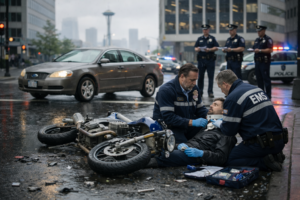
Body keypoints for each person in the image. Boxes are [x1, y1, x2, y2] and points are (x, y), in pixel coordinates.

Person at [213, 70, 286, 171]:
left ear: (225, 84)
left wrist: (221, 123)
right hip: (279, 141)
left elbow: (229, 131)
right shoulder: (256, 89)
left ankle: (265, 162)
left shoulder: (233, 97)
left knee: (231, 160)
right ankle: (275, 155)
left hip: (261, 145)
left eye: (220, 88)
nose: (222, 91)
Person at [147, 98, 237, 168]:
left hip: (196, 156)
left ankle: (137, 164)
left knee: (165, 155)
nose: (211, 106)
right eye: (212, 103)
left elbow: (221, 158)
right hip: (187, 147)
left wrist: (201, 153)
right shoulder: (208, 125)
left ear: (223, 111)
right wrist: (179, 145)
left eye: (215, 105)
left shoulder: (226, 133)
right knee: (158, 146)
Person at [153, 63, 208, 143]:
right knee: (184, 149)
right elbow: (169, 118)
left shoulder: (194, 89)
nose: (194, 83)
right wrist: (192, 122)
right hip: (169, 128)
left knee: (208, 137)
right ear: (182, 77)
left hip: (187, 126)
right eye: (192, 80)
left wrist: (211, 118)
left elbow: (200, 109)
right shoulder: (166, 90)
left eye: (196, 80)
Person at [194, 24, 219, 98]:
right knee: (200, 76)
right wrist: (198, 49)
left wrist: (210, 49)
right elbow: (195, 47)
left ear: (209, 30)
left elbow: (216, 47)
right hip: (201, 60)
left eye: (206, 29)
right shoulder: (199, 38)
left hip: (210, 60)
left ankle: (210, 92)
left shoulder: (212, 38)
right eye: (204, 29)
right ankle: (200, 91)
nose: (205, 31)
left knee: (210, 76)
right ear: (202, 30)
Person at [252, 25, 273, 99]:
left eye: (260, 31)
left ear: (264, 31)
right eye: (257, 31)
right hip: (257, 62)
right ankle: (261, 96)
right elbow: (254, 48)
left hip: (264, 62)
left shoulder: (268, 39)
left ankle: (268, 96)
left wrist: (260, 50)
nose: (258, 32)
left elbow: (270, 50)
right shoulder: (257, 40)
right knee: (259, 80)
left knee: (266, 79)